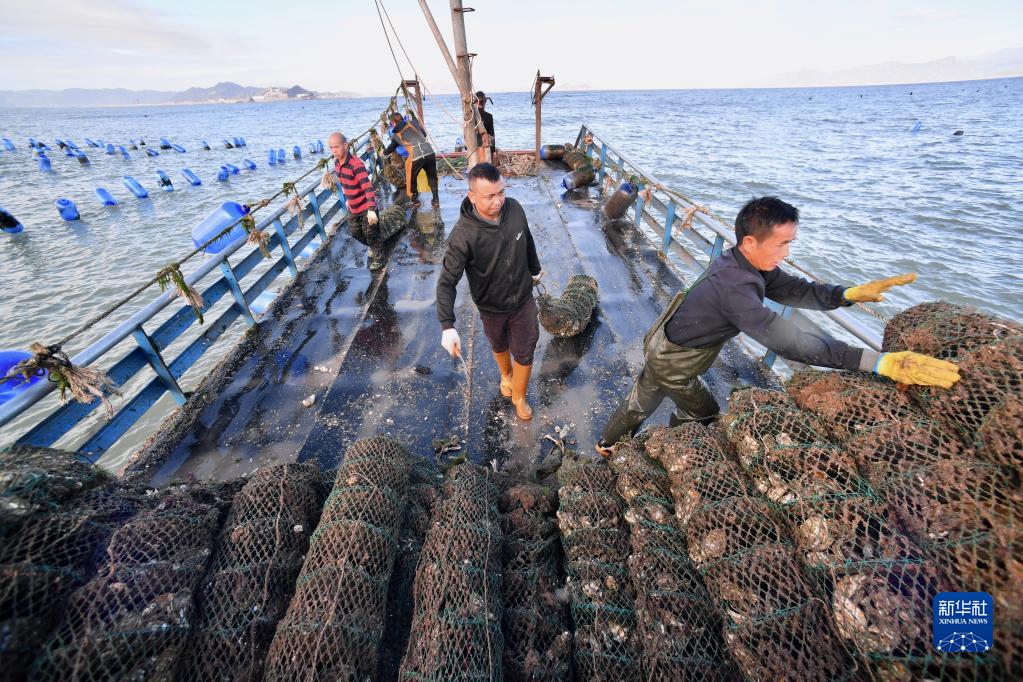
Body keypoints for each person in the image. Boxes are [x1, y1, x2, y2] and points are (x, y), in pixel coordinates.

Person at [595, 196, 961, 453]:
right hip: (676, 361)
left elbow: (795, 291)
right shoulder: (737, 288)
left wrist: (847, 293)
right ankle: (673, 448)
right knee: (703, 412)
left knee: (640, 400)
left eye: (791, 243)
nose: (788, 252)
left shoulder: (745, 262)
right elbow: (791, 343)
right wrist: (877, 361)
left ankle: (606, 445)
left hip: (663, 340)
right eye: (783, 244)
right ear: (751, 241)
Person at [436, 163, 543, 421]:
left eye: (501, 193)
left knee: (526, 347)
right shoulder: (462, 235)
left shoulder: (515, 208)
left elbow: (526, 239)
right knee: (499, 343)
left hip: (522, 298)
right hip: (490, 305)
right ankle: (506, 376)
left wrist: (535, 270)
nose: (498, 201)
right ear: (472, 196)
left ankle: (519, 396)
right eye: (490, 196)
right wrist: (447, 326)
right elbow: (447, 282)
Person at [327, 132, 383, 271]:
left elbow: (367, 186)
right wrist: (348, 200)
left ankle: (379, 258)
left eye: (337, 147)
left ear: (345, 146)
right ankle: (374, 245)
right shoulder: (337, 164)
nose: (334, 150)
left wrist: (371, 209)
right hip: (353, 207)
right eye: (331, 148)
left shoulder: (356, 164)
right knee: (355, 232)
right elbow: (346, 184)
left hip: (366, 206)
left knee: (370, 233)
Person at [383, 112, 440, 209]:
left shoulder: (397, 135)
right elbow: (424, 134)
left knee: (411, 179)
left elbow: (390, 149)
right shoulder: (413, 123)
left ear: (393, 123)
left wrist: (383, 153)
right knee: (432, 176)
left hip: (416, 156)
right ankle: (435, 200)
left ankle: (415, 201)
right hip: (429, 151)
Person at [473, 90, 496, 163]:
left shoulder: (489, 116)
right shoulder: (471, 118)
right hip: (474, 147)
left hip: (486, 146)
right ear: (475, 103)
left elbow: (491, 134)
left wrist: (493, 151)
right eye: (479, 102)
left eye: (483, 102)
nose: (481, 104)